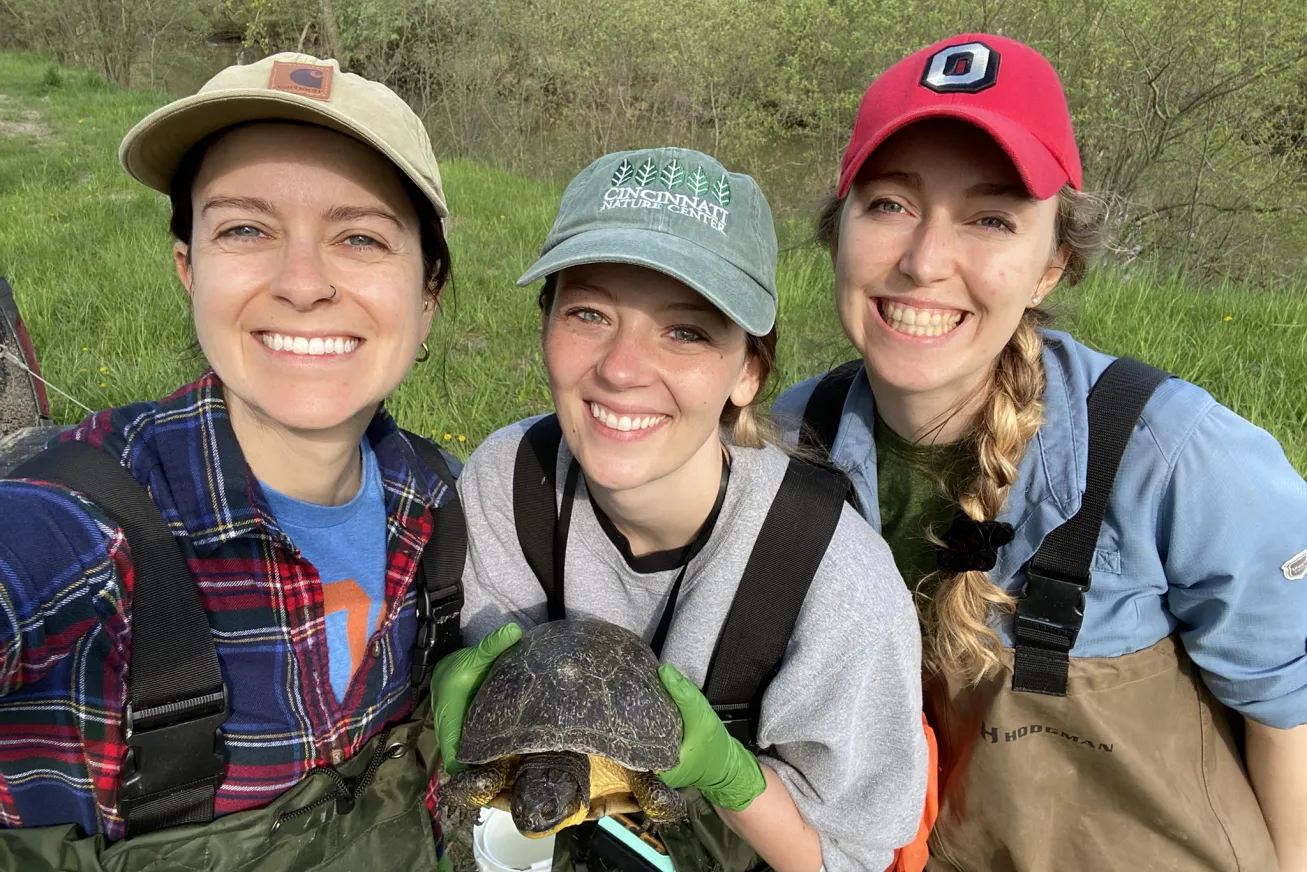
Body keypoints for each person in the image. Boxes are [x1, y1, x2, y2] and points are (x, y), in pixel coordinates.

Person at [772, 33, 1307, 872]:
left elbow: (1290, 712)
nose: (923, 261)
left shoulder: (1171, 459)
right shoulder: (799, 435)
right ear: (837, 228)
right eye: (889, 205)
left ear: (1051, 264)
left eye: (989, 219)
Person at [0, 52, 465, 871]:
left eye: (359, 236)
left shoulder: (443, 508)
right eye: (245, 228)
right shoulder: (79, 532)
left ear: (427, 292)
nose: (301, 282)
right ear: (190, 267)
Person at [432, 147, 931, 872]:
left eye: (686, 331)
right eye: (588, 312)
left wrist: (728, 772)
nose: (622, 368)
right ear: (545, 326)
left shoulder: (832, 579)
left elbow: (847, 858)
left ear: (748, 371)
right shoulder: (509, 482)